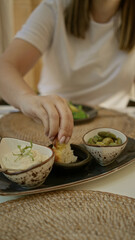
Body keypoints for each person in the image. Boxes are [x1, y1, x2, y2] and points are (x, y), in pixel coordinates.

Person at [0, 0, 135, 144]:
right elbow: (5, 67)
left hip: (118, 122)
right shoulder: (54, 8)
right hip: (52, 121)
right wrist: (27, 99)